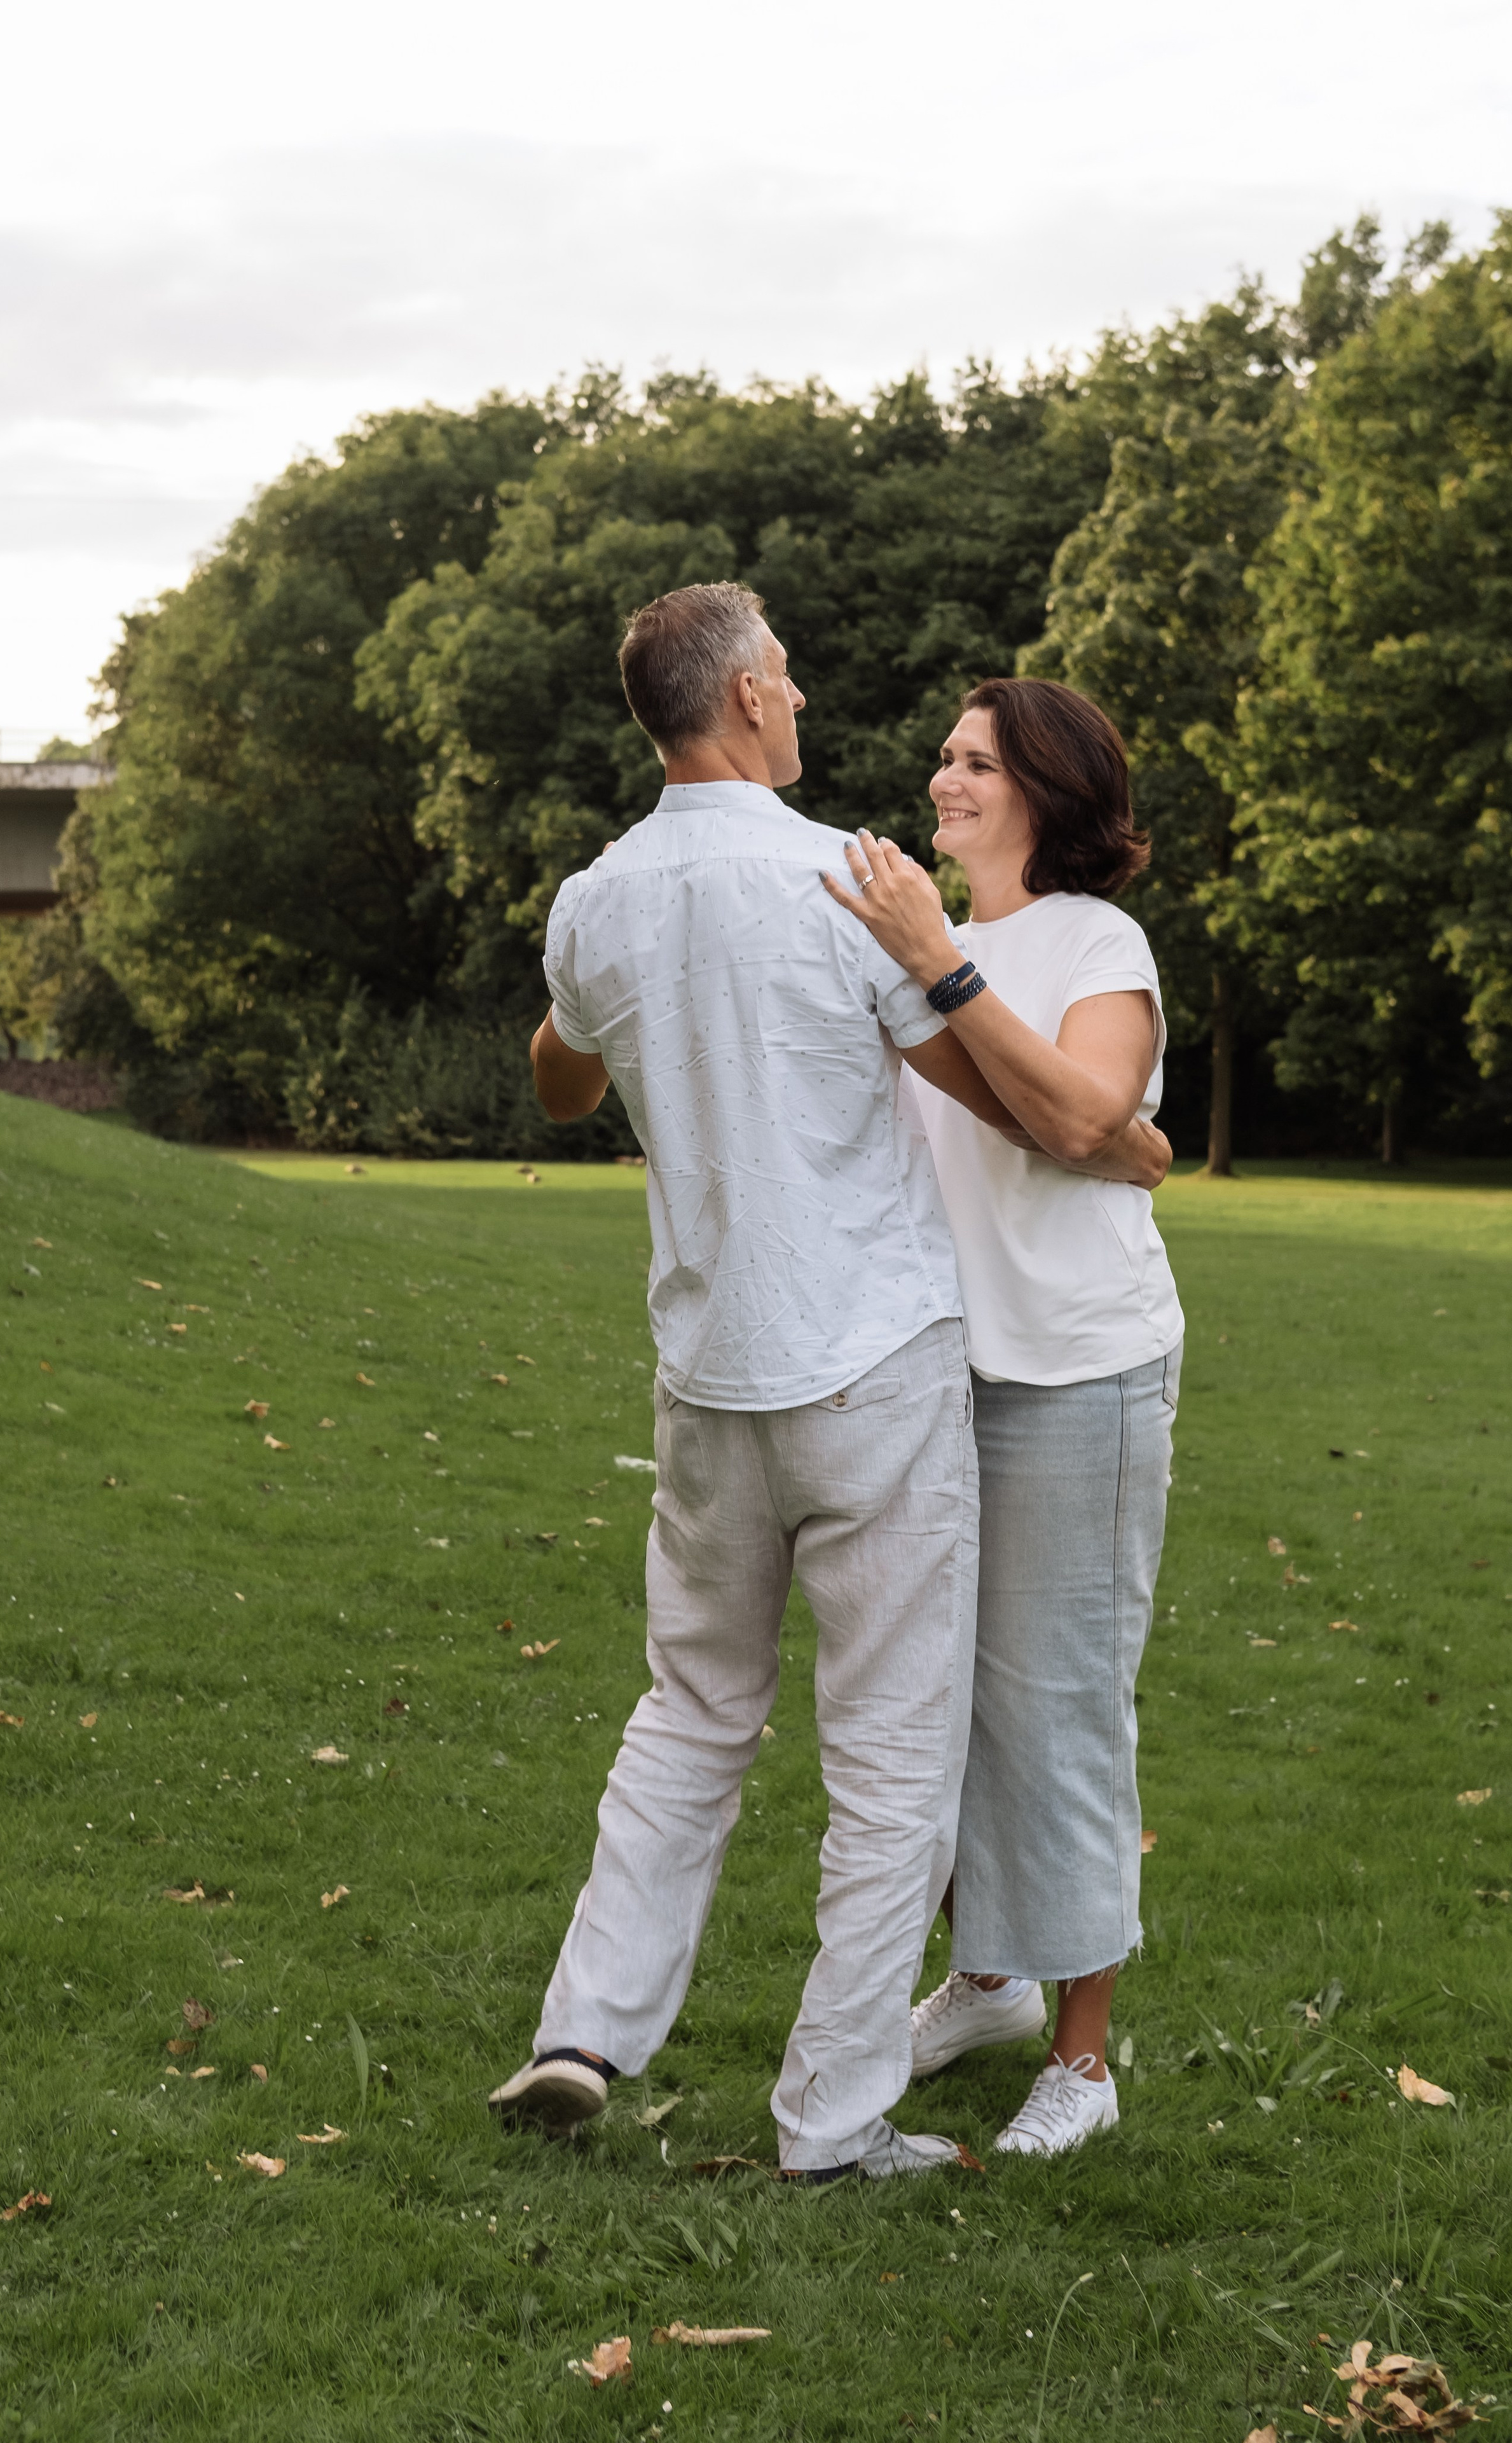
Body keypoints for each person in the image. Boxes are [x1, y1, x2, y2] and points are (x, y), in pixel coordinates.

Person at [488, 586, 1164, 2182]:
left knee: (688, 1716)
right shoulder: (841, 882)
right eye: (782, 678)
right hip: (871, 1374)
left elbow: (560, 1075)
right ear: (737, 700)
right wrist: (1116, 1136)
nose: (801, 701)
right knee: (889, 1762)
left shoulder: (594, 900)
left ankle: (582, 2033)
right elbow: (994, 1096)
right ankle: (832, 2120)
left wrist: (630, 1021)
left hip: (707, 1381)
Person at [823, 675, 1183, 2159]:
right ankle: (985, 1980)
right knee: (948, 1707)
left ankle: (1083, 2059)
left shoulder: (1098, 942)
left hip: (1076, 1367)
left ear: (1040, 783)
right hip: (934, 1368)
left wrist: (942, 974)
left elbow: (1086, 1121)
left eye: (972, 761)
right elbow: (1085, 1133)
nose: (939, 780)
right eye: (942, 756)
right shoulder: (930, 947)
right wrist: (1115, 1137)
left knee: (1058, 1708)